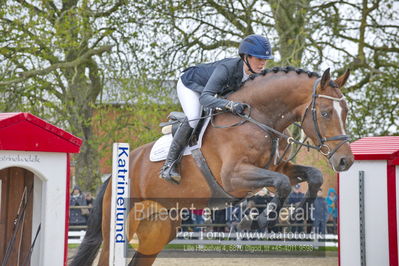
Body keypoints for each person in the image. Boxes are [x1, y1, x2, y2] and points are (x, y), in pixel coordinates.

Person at [160, 34, 274, 184]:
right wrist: (230, 105)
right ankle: (169, 165)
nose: (263, 64)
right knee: (194, 117)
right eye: (259, 59)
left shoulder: (256, 75)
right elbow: (205, 99)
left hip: (213, 92)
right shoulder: (227, 68)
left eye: (265, 60)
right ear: (246, 57)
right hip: (191, 85)